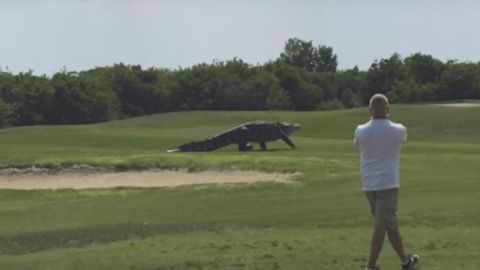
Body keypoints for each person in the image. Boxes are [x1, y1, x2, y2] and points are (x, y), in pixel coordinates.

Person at [354, 94, 419, 270]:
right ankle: (371, 266)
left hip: (368, 185)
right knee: (382, 226)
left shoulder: (361, 130)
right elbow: (400, 140)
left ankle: (406, 262)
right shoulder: (398, 130)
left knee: (389, 224)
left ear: (370, 110)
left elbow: (358, 144)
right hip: (388, 184)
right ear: (388, 109)